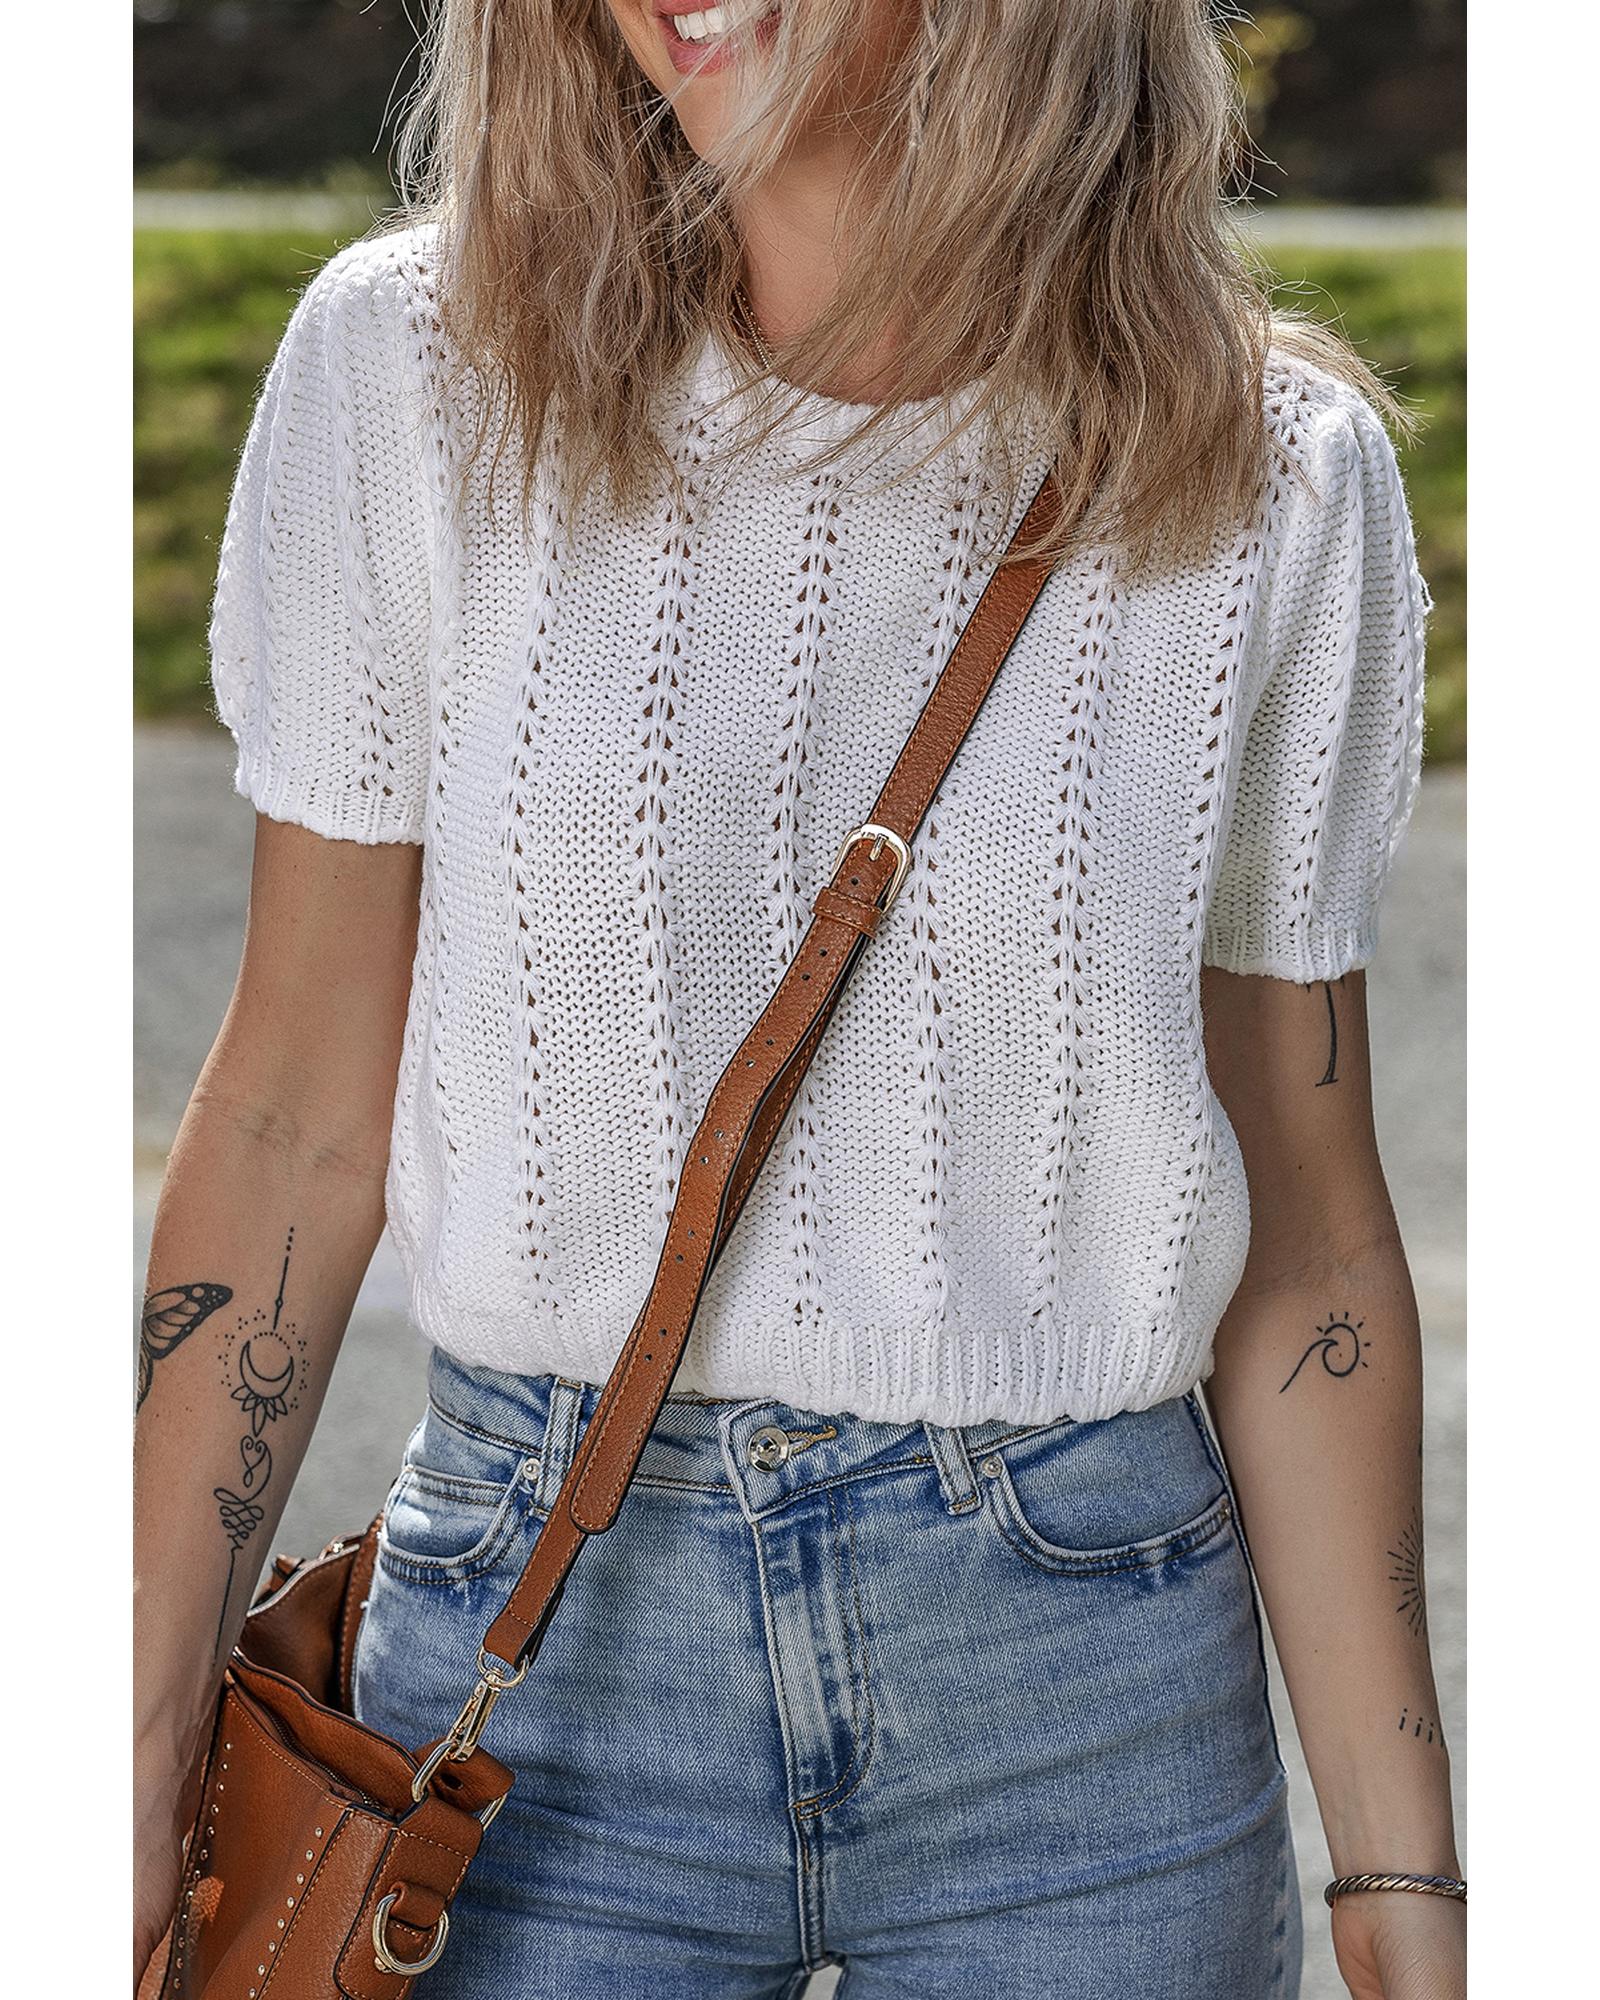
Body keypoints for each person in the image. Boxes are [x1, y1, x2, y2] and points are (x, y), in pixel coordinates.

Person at [133, 3, 1464, 1996]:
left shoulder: (1271, 477)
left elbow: (1313, 1235)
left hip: (1085, 1699)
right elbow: (287, 1116)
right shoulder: (411, 377)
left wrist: (1402, 1877)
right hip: (529, 1685)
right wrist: (129, 1725)